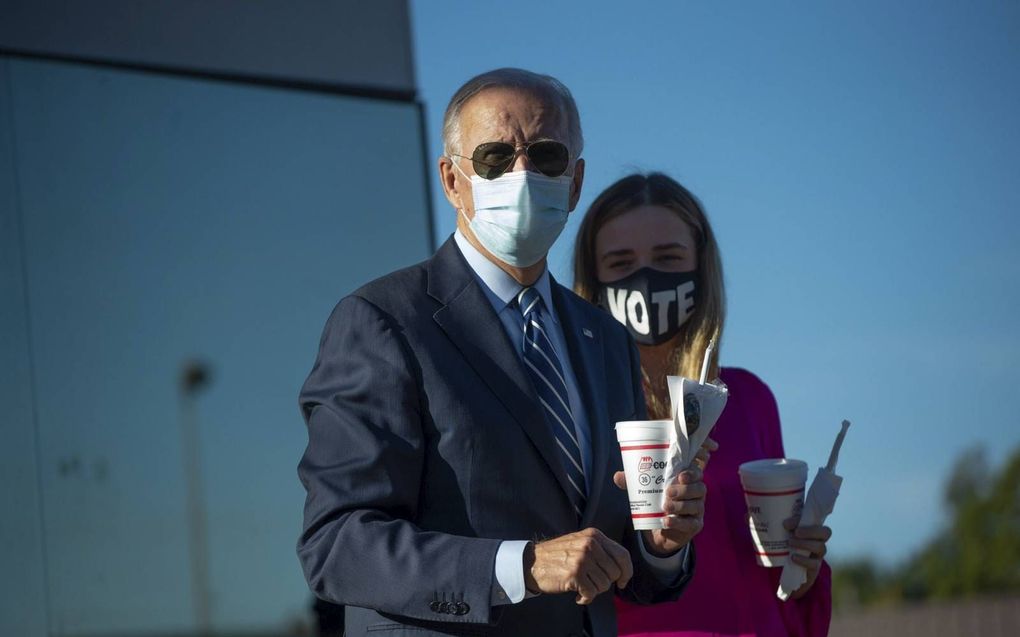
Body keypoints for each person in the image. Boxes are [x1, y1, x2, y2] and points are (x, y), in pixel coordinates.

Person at [297, 70, 709, 637]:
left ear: (575, 181)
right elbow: (337, 544)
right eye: (493, 156)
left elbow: (614, 562)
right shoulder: (383, 320)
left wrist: (660, 545)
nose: (521, 173)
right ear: (452, 180)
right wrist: (522, 565)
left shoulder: (605, 339)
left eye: (545, 155)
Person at [572, 173, 833, 636]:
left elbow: (772, 580)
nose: (646, 277)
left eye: (668, 257)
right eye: (621, 262)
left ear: (700, 266)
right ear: (593, 280)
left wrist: (803, 567)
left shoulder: (749, 398)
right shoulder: (576, 407)